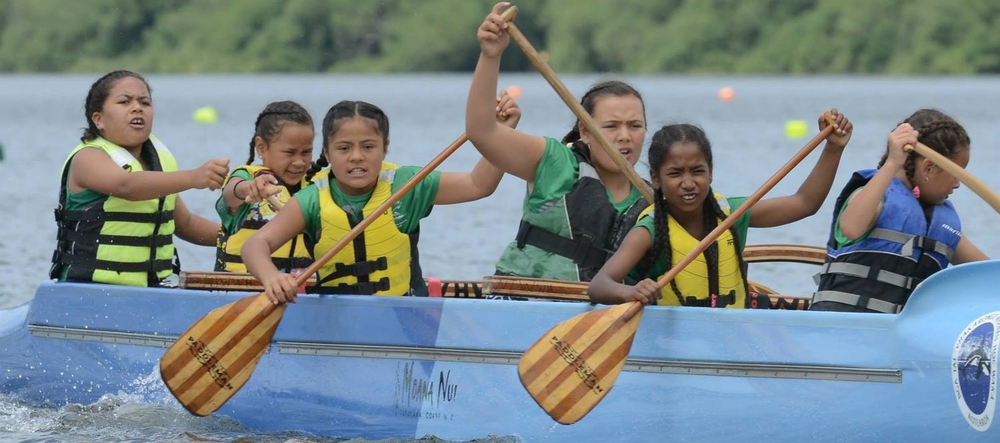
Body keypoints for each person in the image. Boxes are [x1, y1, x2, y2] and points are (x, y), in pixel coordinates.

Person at [243, 96, 521, 303]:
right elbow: (255, 245)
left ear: (385, 148)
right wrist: (271, 277)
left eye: (368, 146)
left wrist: (503, 133)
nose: (356, 156)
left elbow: (478, 184)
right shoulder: (311, 200)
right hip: (337, 325)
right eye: (343, 148)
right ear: (326, 153)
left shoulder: (406, 185)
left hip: (405, 318)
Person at [467, 2, 651, 283]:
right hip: (524, 300)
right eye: (611, 127)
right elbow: (482, 132)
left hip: (601, 315)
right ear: (585, 131)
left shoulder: (653, 203)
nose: (625, 136)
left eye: (635, 126)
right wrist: (490, 56)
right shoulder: (554, 162)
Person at [588, 113, 852, 308]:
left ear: (711, 173)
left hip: (730, 338)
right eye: (675, 174)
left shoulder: (732, 214)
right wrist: (631, 292)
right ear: (656, 179)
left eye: (698, 171)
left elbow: (805, 203)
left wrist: (833, 148)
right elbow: (600, 285)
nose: (688, 183)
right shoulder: (649, 230)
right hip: (671, 344)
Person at [50, 70, 229, 287]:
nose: (137, 108)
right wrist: (195, 177)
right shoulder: (88, 158)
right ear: (99, 119)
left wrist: (237, 239)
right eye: (124, 102)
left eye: (145, 102)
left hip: (151, 290)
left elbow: (185, 223)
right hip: (87, 289)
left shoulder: (158, 162)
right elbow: (126, 185)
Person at [811, 109, 988, 313]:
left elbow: (988, 273)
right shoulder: (873, 197)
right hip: (843, 329)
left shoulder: (939, 223)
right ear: (928, 168)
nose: (957, 185)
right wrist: (893, 162)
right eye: (956, 175)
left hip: (897, 336)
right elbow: (851, 227)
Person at [215, 100, 315, 274]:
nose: (299, 162)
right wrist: (249, 188)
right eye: (290, 152)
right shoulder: (246, 178)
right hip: (241, 289)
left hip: (297, 291)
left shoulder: (317, 188)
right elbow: (230, 195)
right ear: (261, 147)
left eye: (306, 152)